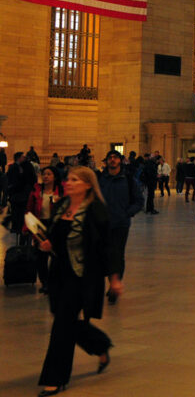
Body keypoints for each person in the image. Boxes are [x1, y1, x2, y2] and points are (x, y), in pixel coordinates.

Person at [35, 166, 121, 396]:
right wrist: (47, 244)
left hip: (82, 277)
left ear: (87, 185)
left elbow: (109, 247)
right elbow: (55, 236)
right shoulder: (62, 205)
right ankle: (100, 345)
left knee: (62, 325)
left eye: (75, 179)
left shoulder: (95, 210)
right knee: (68, 322)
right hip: (59, 274)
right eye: (68, 179)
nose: (69, 182)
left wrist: (114, 279)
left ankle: (55, 378)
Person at [96, 151, 143, 302]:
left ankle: (114, 285)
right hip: (101, 223)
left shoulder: (128, 180)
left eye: (115, 158)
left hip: (120, 224)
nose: (112, 160)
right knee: (103, 253)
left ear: (120, 161)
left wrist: (126, 213)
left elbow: (139, 201)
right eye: (110, 158)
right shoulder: (99, 179)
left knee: (117, 254)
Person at [25, 166, 65, 293]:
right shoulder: (36, 191)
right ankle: (45, 282)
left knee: (56, 255)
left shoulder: (61, 191)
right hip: (39, 225)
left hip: (55, 225)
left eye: (49, 174)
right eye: (44, 174)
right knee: (41, 257)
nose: (46, 176)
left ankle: (55, 282)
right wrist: (27, 227)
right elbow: (29, 210)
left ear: (55, 176)